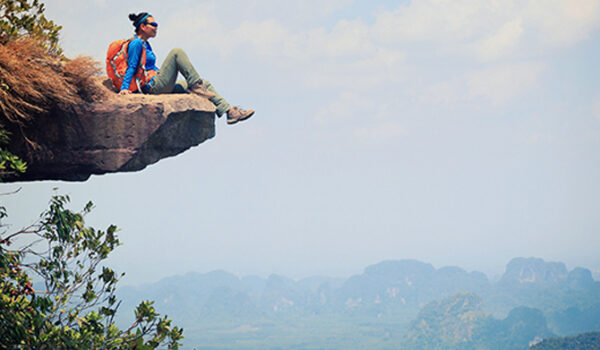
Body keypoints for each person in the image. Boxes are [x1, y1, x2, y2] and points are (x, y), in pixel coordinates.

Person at [119, 12, 254, 125]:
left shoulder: (145, 44)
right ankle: (195, 85)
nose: (156, 27)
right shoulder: (136, 43)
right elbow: (131, 66)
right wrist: (124, 88)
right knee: (177, 52)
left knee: (205, 83)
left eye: (157, 25)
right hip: (152, 87)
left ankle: (230, 112)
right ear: (142, 26)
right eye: (153, 24)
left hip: (158, 82)